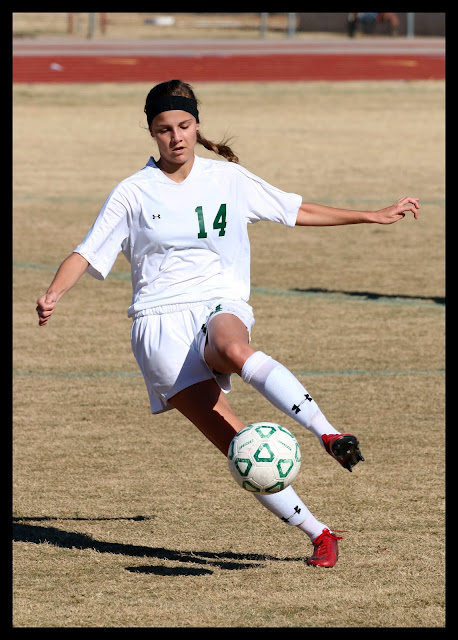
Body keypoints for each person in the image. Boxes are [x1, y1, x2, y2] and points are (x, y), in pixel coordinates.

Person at [36, 79, 419, 568]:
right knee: (240, 448)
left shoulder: (228, 180)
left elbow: (294, 209)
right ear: (151, 133)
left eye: (184, 125)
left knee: (232, 345)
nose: (176, 137)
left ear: (197, 126)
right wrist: (54, 293)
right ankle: (319, 533)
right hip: (158, 326)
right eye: (164, 129)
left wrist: (371, 215)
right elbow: (87, 251)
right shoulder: (132, 192)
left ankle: (326, 432)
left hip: (217, 300)